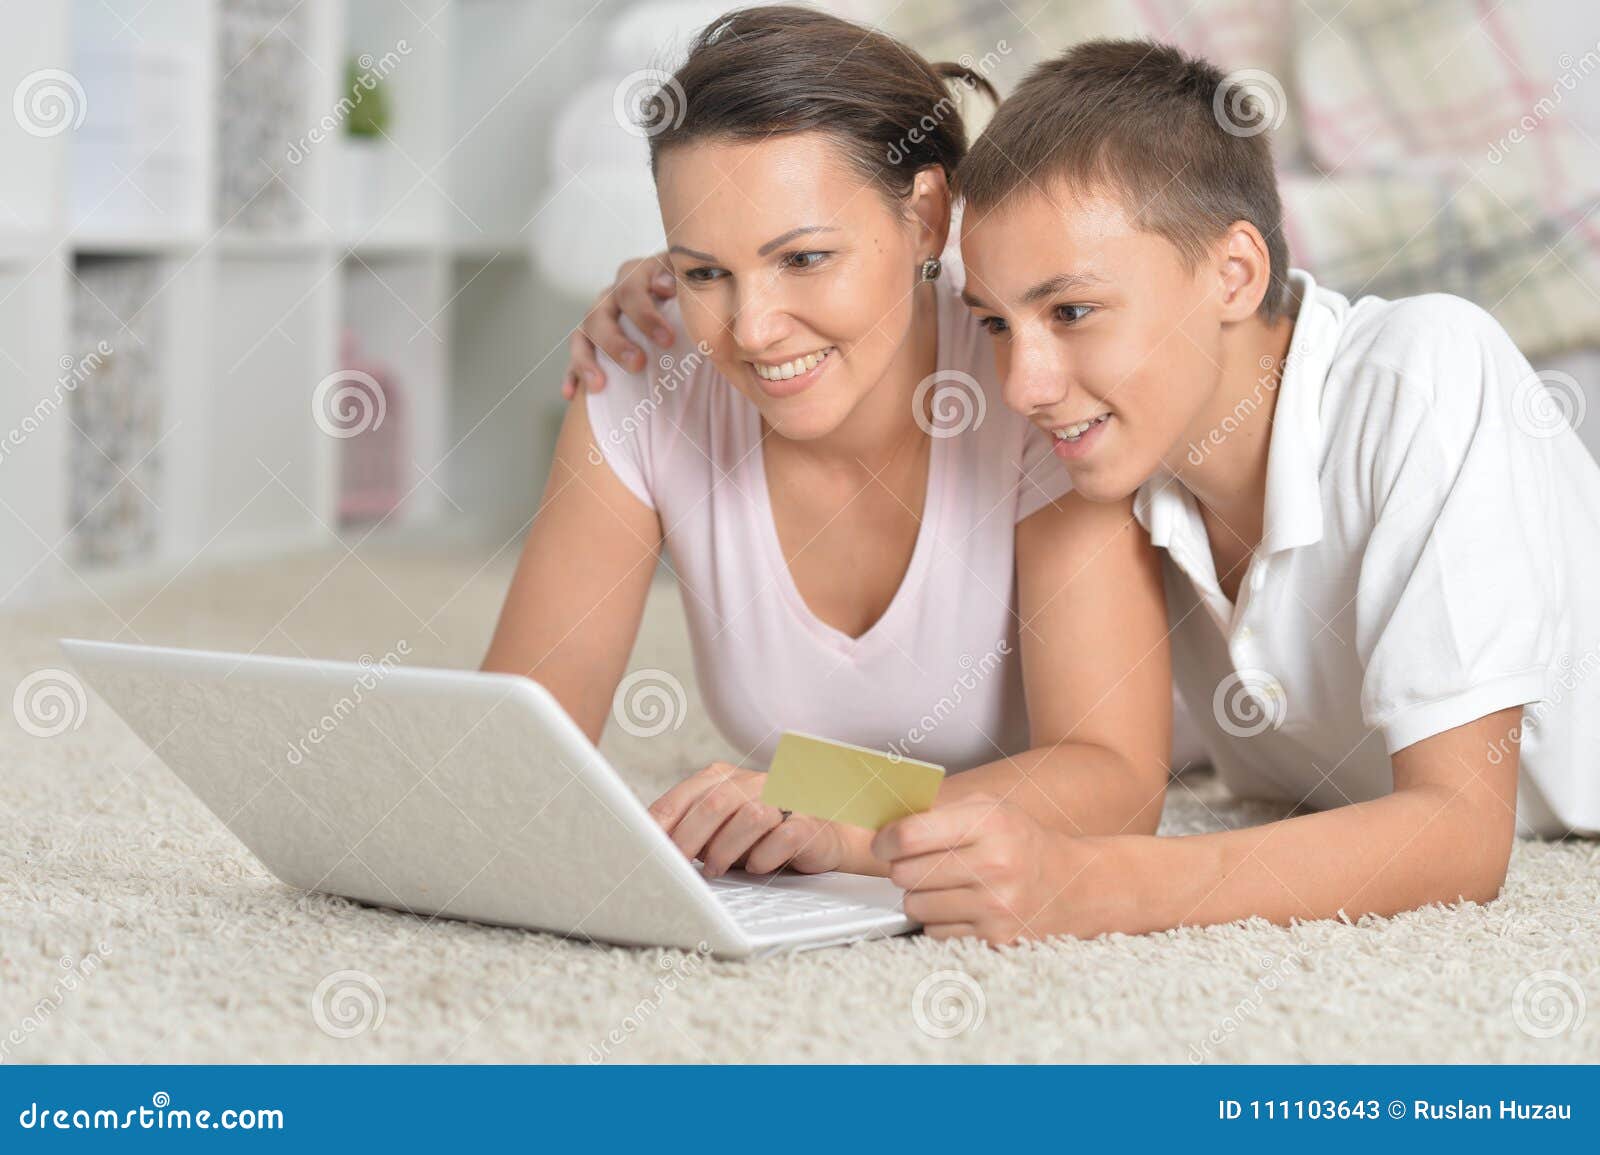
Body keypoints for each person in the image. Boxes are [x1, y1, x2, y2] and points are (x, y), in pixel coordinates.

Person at [578, 36, 1600, 944]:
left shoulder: (1422, 373)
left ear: (1234, 275)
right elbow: (1095, 759)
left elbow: (1460, 836)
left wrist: (1095, 885)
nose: (1020, 386)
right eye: (994, 324)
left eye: (1071, 312)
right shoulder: (1128, 450)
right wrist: (688, 277)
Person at [483, 8, 1176, 886]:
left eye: (804, 258)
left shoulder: (1031, 377)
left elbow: (1114, 779)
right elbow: (518, 743)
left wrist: (842, 819)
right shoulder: (644, 365)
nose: (756, 328)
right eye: (705, 271)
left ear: (925, 218)